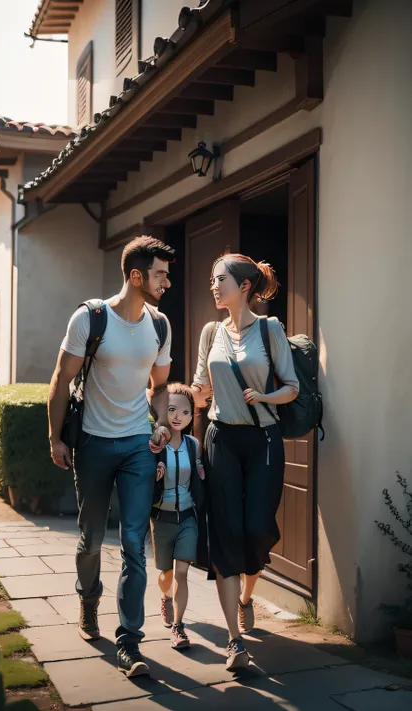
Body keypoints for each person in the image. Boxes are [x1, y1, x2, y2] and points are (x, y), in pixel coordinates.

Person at [48, 236, 175, 678]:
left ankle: (129, 640)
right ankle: (88, 598)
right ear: (136, 276)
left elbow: (159, 388)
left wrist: (159, 423)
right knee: (90, 537)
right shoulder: (91, 318)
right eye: (160, 273)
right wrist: (55, 438)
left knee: (135, 545)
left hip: (139, 447)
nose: (167, 281)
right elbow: (61, 379)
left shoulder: (159, 326)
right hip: (95, 445)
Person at [191, 254, 299, 671]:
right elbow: (202, 388)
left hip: (263, 439)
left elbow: (290, 387)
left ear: (245, 286)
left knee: (257, 527)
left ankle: (246, 597)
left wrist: (266, 397)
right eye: (212, 280)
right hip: (221, 437)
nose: (214, 287)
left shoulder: (270, 329)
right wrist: (187, 398)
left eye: (220, 280)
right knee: (225, 531)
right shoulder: (209, 332)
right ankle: (235, 643)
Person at [150, 383, 205, 651]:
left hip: (187, 518)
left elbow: (199, 475)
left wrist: (202, 474)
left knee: (182, 572)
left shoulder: (194, 445)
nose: (177, 416)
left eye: (184, 411)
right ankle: (165, 597)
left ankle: (178, 627)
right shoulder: (154, 443)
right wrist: (154, 474)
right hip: (162, 517)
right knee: (166, 574)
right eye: (171, 409)